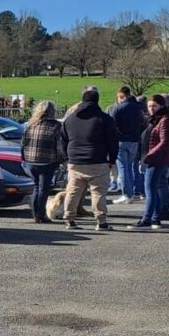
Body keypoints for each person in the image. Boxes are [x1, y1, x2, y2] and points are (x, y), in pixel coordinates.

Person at [57, 88, 118, 231]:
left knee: (73, 191)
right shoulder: (105, 119)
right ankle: (101, 221)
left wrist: (67, 158)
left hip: (75, 161)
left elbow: (63, 141)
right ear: (97, 100)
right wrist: (112, 160)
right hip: (97, 160)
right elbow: (113, 141)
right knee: (98, 193)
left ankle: (69, 220)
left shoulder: (70, 119)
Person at [132, 95, 169, 229]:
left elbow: (164, 141)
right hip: (153, 157)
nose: (151, 108)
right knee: (156, 187)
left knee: (150, 188)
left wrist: (149, 155)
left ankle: (147, 219)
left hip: (157, 159)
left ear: (161, 106)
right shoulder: (155, 119)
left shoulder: (165, 119)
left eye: (154, 106)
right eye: (150, 106)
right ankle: (155, 218)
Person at [21, 100, 65, 223]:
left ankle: (36, 213)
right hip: (47, 161)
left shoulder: (30, 125)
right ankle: (41, 214)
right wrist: (61, 160)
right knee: (44, 188)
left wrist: (24, 158)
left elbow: (23, 143)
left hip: (31, 160)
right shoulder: (56, 126)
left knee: (36, 186)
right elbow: (59, 146)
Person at [110, 86, 146, 204]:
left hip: (121, 140)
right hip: (135, 141)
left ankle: (127, 194)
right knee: (130, 167)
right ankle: (133, 191)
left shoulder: (118, 109)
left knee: (123, 168)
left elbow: (112, 126)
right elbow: (143, 124)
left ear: (121, 96)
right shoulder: (139, 108)